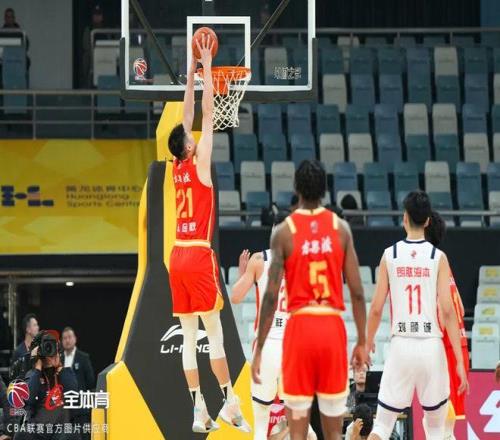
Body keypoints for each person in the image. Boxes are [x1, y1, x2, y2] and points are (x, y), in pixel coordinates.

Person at [167, 34, 249, 434]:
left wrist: (190, 74)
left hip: (176, 255)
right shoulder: (200, 164)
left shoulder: (176, 167)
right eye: (191, 137)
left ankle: (198, 410)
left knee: (188, 338)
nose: (194, 134)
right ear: (188, 147)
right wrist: (208, 69)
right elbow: (206, 112)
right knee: (214, 337)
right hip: (198, 254)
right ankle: (230, 402)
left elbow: (186, 116)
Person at [251, 159, 368, 440]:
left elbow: (270, 297)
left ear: (296, 189)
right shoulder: (340, 229)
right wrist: (362, 341)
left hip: (300, 329)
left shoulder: (284, 232)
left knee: (298, 429)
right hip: (331, 329)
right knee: (333, 431)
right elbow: (357, 292)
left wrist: (260, 348)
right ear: (325, 190)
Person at [366, 191, 467, 440]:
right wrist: (459, 361)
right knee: (436, 430)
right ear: (428, 220)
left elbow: (376, 307)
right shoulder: (438, 257)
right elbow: (448, 311)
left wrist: (366, 343)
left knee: (381, 426)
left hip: (401, 344)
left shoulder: (390, 255)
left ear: (404, 218)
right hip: (431, 347)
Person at [232, 236, 316, 440]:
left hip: (267, 345)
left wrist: (244, 274)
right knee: (302, 425)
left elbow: (235, 297)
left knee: (261, 425)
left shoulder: (259, 259)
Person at [424, 211, 469, 440]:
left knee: (436, 424)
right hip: (458, 345)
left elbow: (445, 312)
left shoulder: (429, 262)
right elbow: (459, 309)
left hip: (443, 348)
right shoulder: (444, 262)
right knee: (445, 426)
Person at [14, 331, 79, 440]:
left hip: (61, 431)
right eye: (46, 348)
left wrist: (59, 366)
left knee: (71, 435)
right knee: (21, 435)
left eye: (52, 348)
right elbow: (28, 399)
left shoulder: (65, 373)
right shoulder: (32, 375)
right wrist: (37, 367)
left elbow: (73, 392)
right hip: (38, 431)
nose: (49, 352)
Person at [61, 327, 95, 440]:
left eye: (69, 337)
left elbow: (90, 381)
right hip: (63, 409)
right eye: (64, 338)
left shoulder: (83, 357)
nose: (67, 340)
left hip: (80, 408)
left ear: (75, 339)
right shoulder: (58, 359)